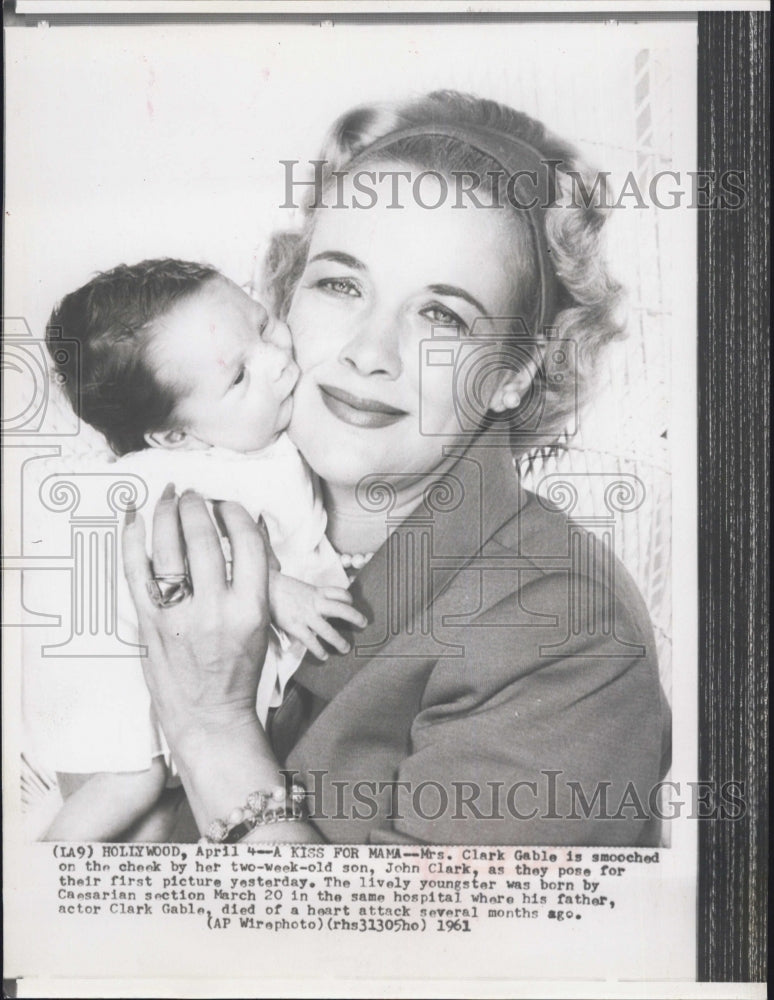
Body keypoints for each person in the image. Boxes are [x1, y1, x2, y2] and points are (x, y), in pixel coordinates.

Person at [122, 90, 671, 846]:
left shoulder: (572, 633)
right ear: (283, 297)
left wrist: (211, 728)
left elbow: (402, 965)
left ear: (513, 373)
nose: (369, 353)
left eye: (442, 314)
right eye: (341, 285)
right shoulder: (190, 504)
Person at [36, 258, 365, 841]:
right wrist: (274, 590)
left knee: (165, 809)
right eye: (238, 377)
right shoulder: (175, 471)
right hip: (105, 674)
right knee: (132, 785)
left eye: (263, 327)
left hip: (184, 681)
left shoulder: (255, 435)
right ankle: (35, 885)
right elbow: (183, 549)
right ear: (174, 435)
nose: (277, 360)